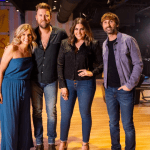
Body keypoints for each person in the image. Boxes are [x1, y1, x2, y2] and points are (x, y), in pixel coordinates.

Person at [57, 17, 103, 150]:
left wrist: (92, 73)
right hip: (68, 84)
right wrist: (62, 86)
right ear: (73, 30)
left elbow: (101, 64)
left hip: (86, 85)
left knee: (85, 114)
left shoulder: (93, 44)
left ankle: (85, 144)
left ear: (86, 30)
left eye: (82, 29)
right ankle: (63, 142)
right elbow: (59, 65)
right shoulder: (65, 43)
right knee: (65, 115)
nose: (79, 31)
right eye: (76, 29)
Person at [101, 12, 143, 150]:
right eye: (105, 22)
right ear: (102, 26)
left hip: (124, 90)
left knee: (127, 125)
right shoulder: (104, 44)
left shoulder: (128, 40)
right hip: (109, 91)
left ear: (116, 24)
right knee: (113, 123)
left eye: (111, 21)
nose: (108, 24)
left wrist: (129, 85)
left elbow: (138, 64)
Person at [31, 2, 68, 150]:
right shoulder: (31, 34)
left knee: (51, 112)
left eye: (46, 15)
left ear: (50, 16)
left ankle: (51, 142)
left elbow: (67, 55)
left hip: (52, 80)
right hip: (34, 80)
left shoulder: (60, 33)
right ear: (36, 17)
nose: (43, 18)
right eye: (40, 15)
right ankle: (39, 142)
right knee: (37, 112)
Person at [0, 23, 37, 150]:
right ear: (19, 35)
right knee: (10, 122)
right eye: (23, 34)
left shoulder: (31, 49)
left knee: (23, 120)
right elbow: (0, 70)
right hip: (10, 86)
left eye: (29, 35)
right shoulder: (12, 48)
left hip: (25, 87)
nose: (26, 37)